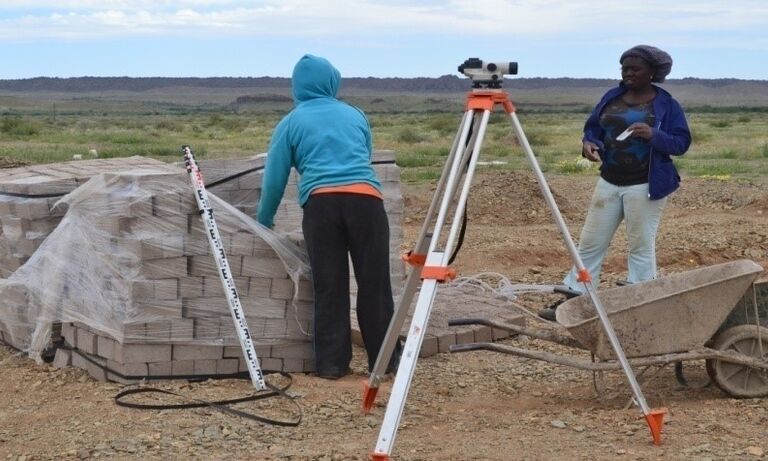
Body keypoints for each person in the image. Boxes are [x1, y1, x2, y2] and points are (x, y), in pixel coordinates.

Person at [257, 54, 400, 378]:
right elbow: (363, 155)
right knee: (374, 285)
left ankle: (332, 366)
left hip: (321, 207)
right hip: (366, 202)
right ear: (331, 81)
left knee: (330, 286)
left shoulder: (291, 122)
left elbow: (274, 178)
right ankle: (386, 363)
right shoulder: (354, 115)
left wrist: (263, 220)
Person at [540, 45, 691, 321]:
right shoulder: (612, 96)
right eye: (624, 67)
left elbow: (681, 143)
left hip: (645, 185)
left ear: (652, 73)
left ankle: (641, 304)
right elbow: (593, 128)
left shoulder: (666, 104)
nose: (628, 72)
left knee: (640, 244)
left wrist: (653, 135)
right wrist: (589, 144)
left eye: (635, 68)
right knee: (589, 242)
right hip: (610, 180)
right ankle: (576, 300)